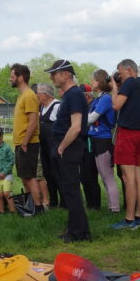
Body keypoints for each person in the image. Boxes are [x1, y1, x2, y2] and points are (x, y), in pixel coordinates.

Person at [47, 60, 91, 242]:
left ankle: (80, 233)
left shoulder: (74, 95)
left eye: (54, 74)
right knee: (68, 191)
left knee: (71, 191)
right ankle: (74, 229)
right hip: (64, 146)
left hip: (69, 147)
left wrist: (62, 147)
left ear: (65, 74)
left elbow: (76, 127)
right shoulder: (70, 95)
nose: (51, 78)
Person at [110, 59, 140, 230]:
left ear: (129, 70)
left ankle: (129, 219)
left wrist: (114, 88)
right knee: (136, 176)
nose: (120, 76)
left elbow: (116, 105)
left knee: (128, 178)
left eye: (120, 73)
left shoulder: (129, 83)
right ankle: (139, 215)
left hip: (127, 133)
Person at [9, 63, 45, 213]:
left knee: (30, 177)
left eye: (12, 76)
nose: (10, 79)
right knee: (25, 177)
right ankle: (31, 206)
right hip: (21, 143)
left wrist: (25, 142)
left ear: (20, 77)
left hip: (28, 143)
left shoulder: (29, 95)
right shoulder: (22, 96)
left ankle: (38, 208)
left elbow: (33, 122)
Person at [88, 69, 120, 213]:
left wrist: (75, 121)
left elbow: (91, 118)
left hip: (103, 140)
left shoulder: (105, 98)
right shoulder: (98, 98)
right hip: (96, 140)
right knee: (103, 175)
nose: (91, 82)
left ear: (100, 81)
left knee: (107, 176)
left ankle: (115, 208)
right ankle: (111, 206)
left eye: (94, 80)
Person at [36, 83, 61, 210]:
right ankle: (53, 201)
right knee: (48, 174)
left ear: (45, 95)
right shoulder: (42, 108)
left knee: (57, 174)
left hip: (55, 146)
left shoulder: (57, 106)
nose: (36, 96)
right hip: (44, 147)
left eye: (38, 94)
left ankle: (64, 202)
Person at [78, 82, 101, 210]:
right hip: (82, 145)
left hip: (90, 144)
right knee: (83, 177)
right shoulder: (84, 107)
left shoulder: (94, 106)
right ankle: (89, 204)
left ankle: (95, 205)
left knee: (91, 176)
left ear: (86, 96)